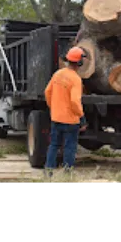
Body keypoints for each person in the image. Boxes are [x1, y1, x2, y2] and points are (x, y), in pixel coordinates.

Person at [44, 46, 87, 174]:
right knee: (70, 146)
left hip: (56, 117)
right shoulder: (76, 79)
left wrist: (54, 107)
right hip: (70, 120)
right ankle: (67, 171)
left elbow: (47, 92)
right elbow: (75, 101)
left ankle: (49, 169)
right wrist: (82, 117)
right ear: (79, 62)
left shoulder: (58, 74)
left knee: (54, 144)